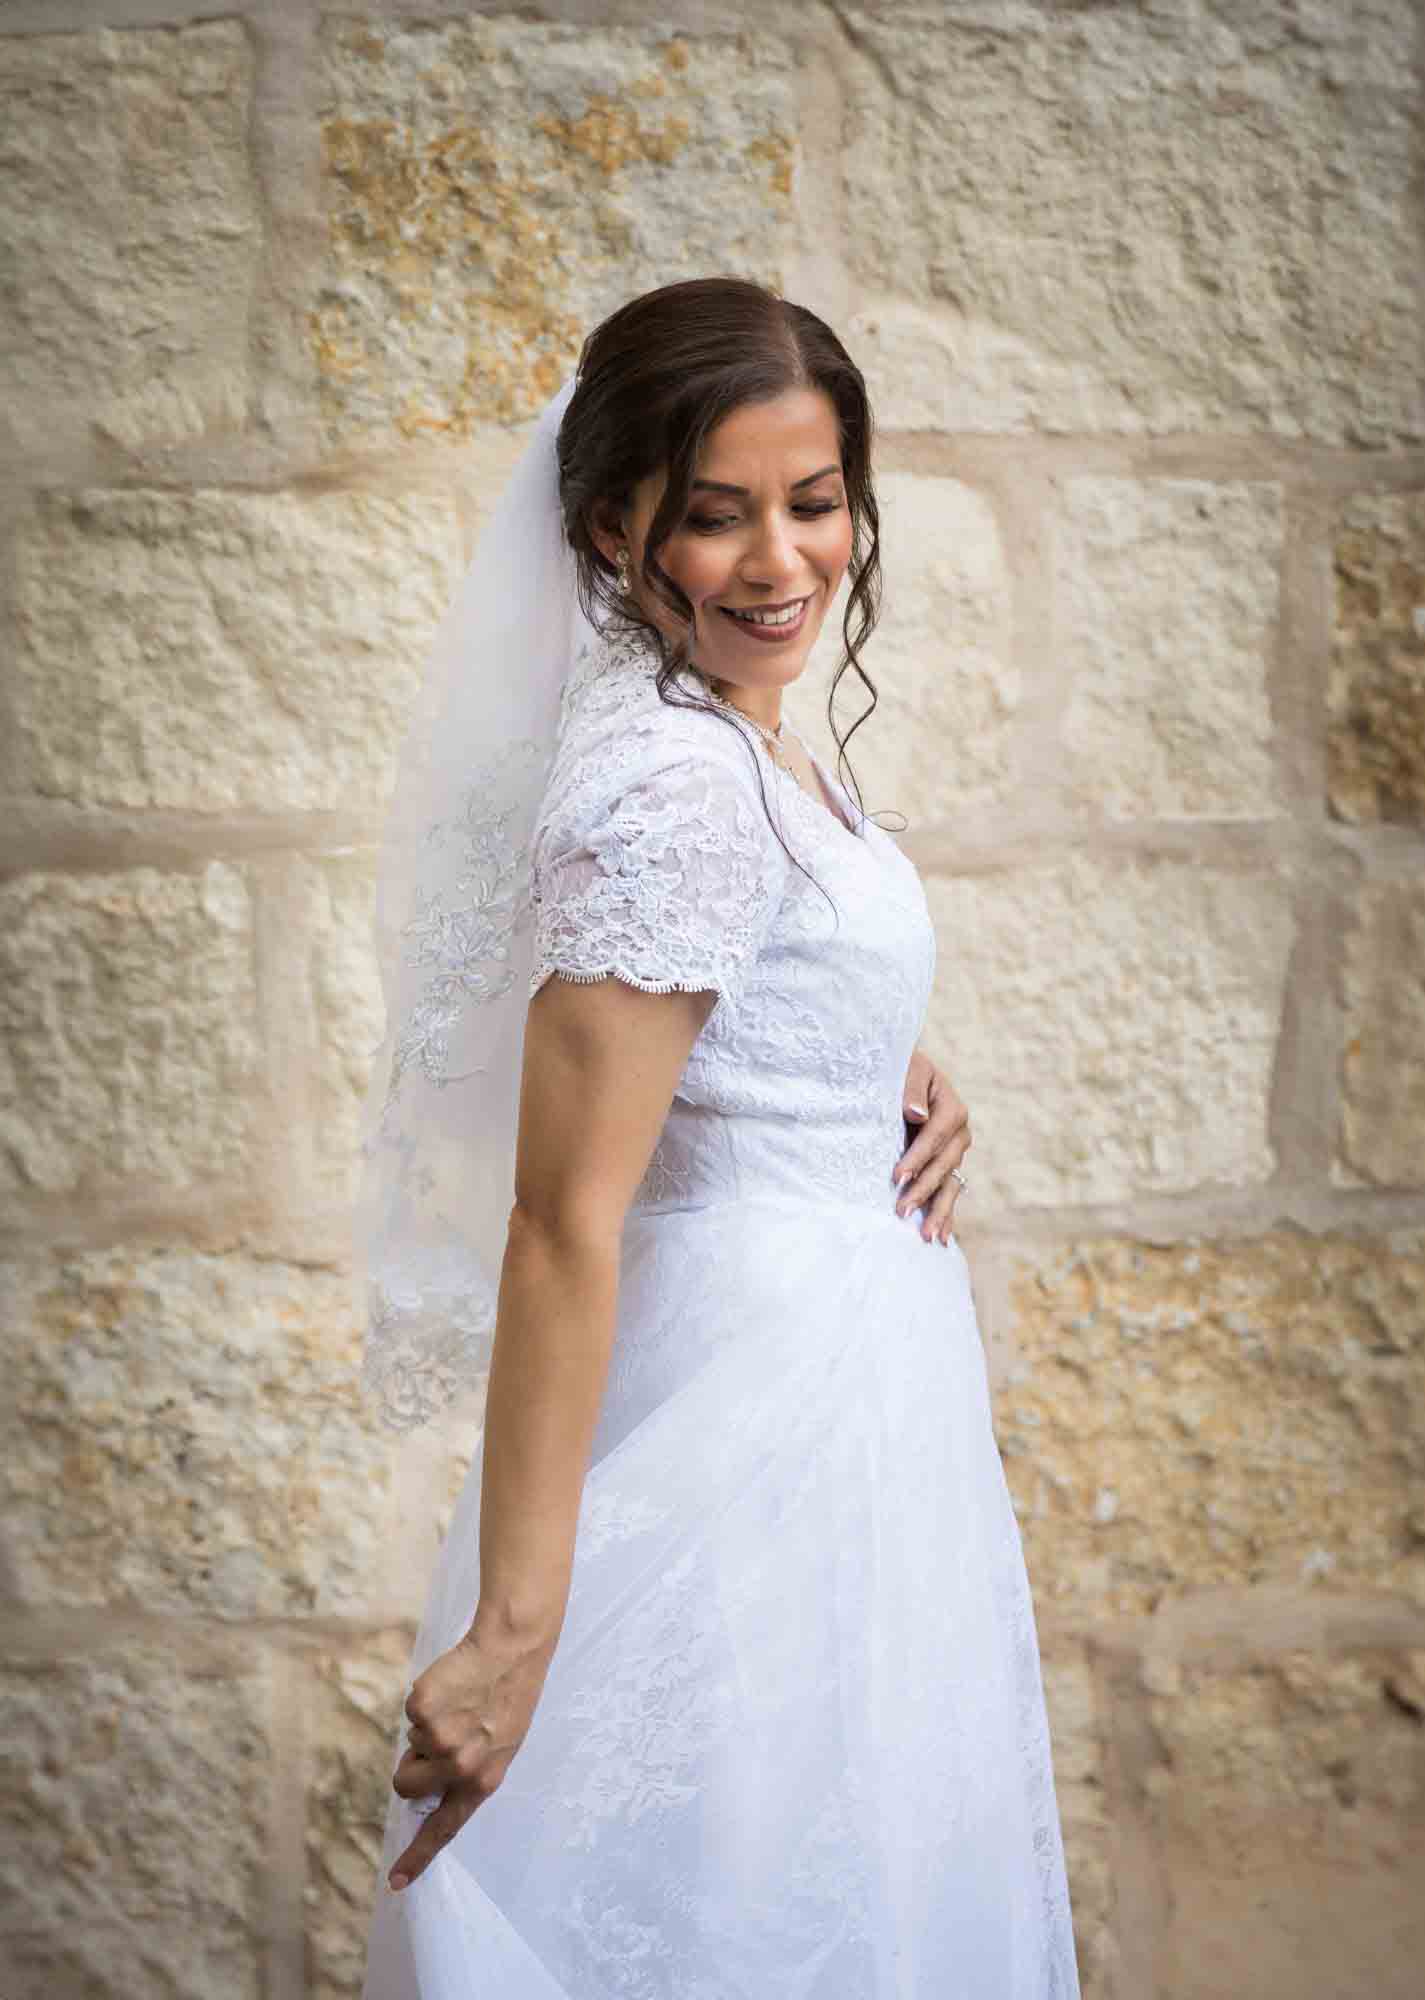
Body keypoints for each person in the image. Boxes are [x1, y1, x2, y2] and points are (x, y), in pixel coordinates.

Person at [358, 276, 1081, 1997]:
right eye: (715, 514)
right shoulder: (678, 781)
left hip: (852, 1403)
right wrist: (516, 1632)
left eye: (814, 503)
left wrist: (883, 1061)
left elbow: (741, 999)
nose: (780, 563)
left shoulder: (736, 753)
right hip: (751, 1414)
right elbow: (561, 1219)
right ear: (615, 528)